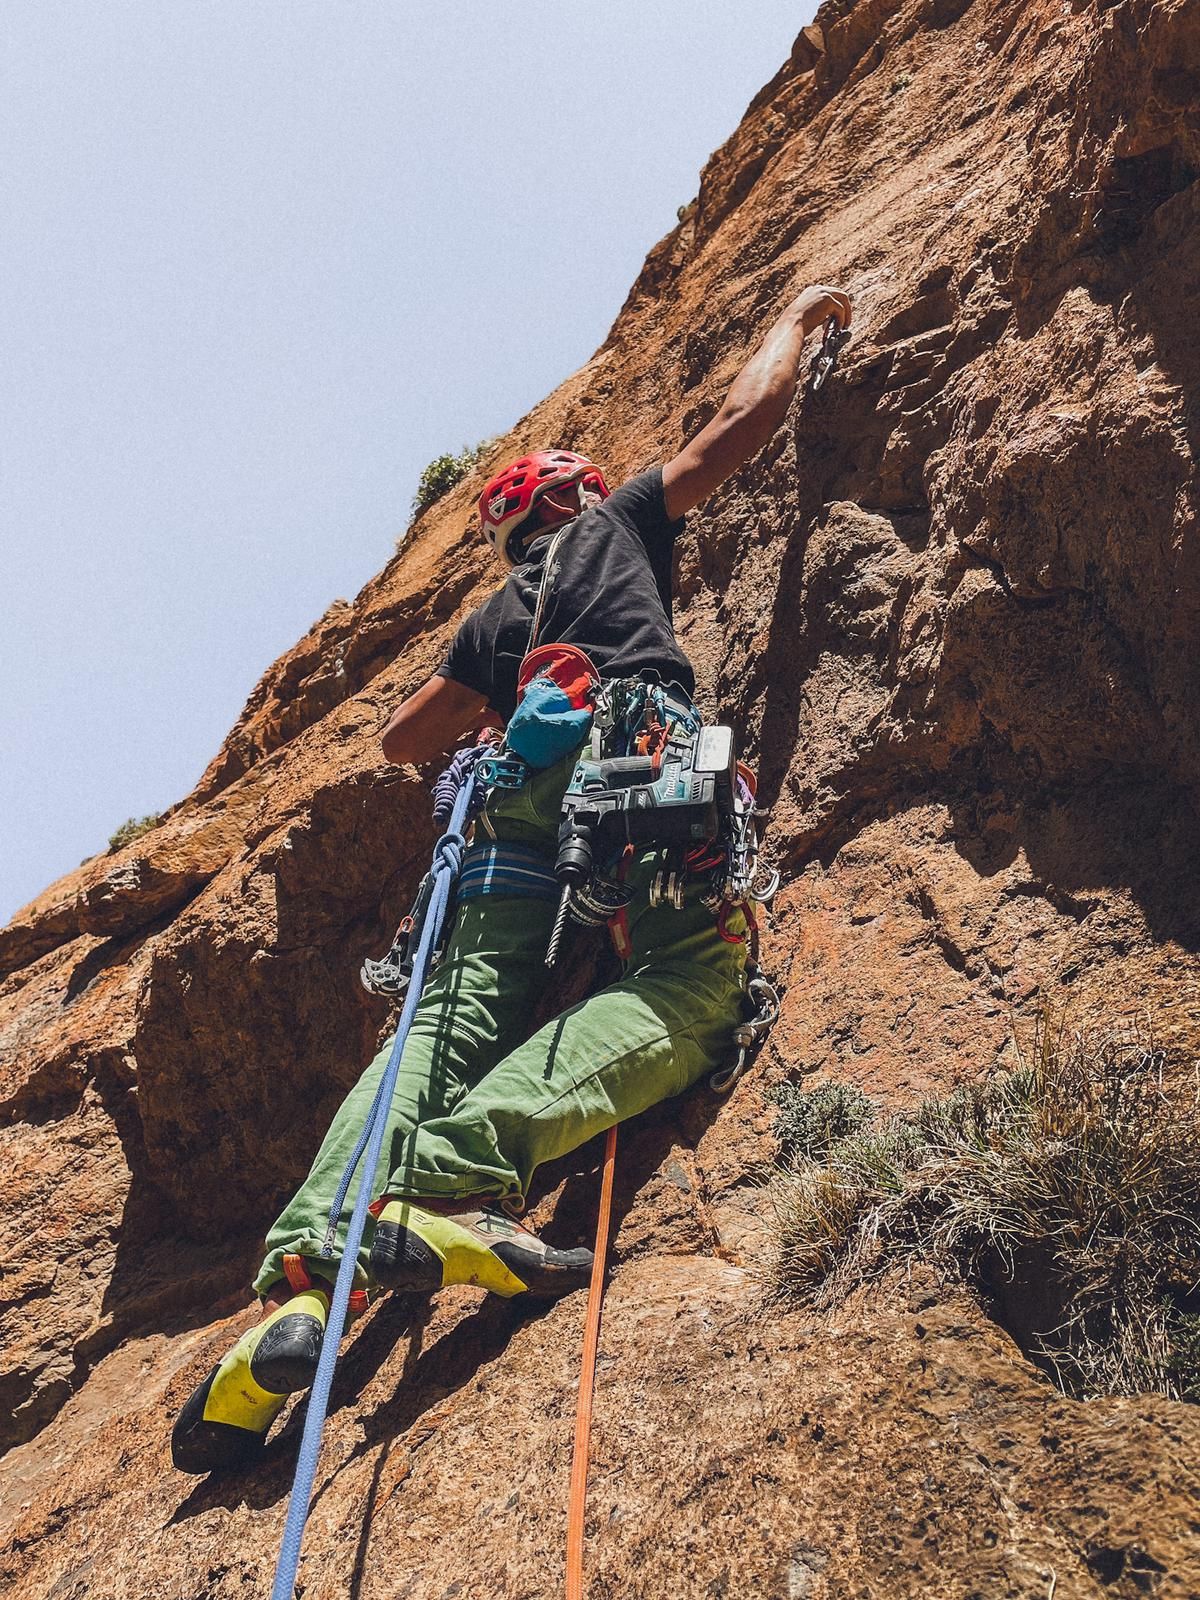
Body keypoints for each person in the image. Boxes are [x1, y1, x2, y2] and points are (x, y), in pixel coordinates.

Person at [172, 283, 852, 1474]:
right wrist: (793, 318)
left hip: (508, 807)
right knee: (693, 978)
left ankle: (303, 1278)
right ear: (578, 495)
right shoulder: (615, 526)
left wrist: (501, 698)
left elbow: (400, 739)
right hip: (633, 743)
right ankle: (445, 1183)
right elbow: (729, 434)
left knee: (440, 1021)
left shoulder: (498, 614)